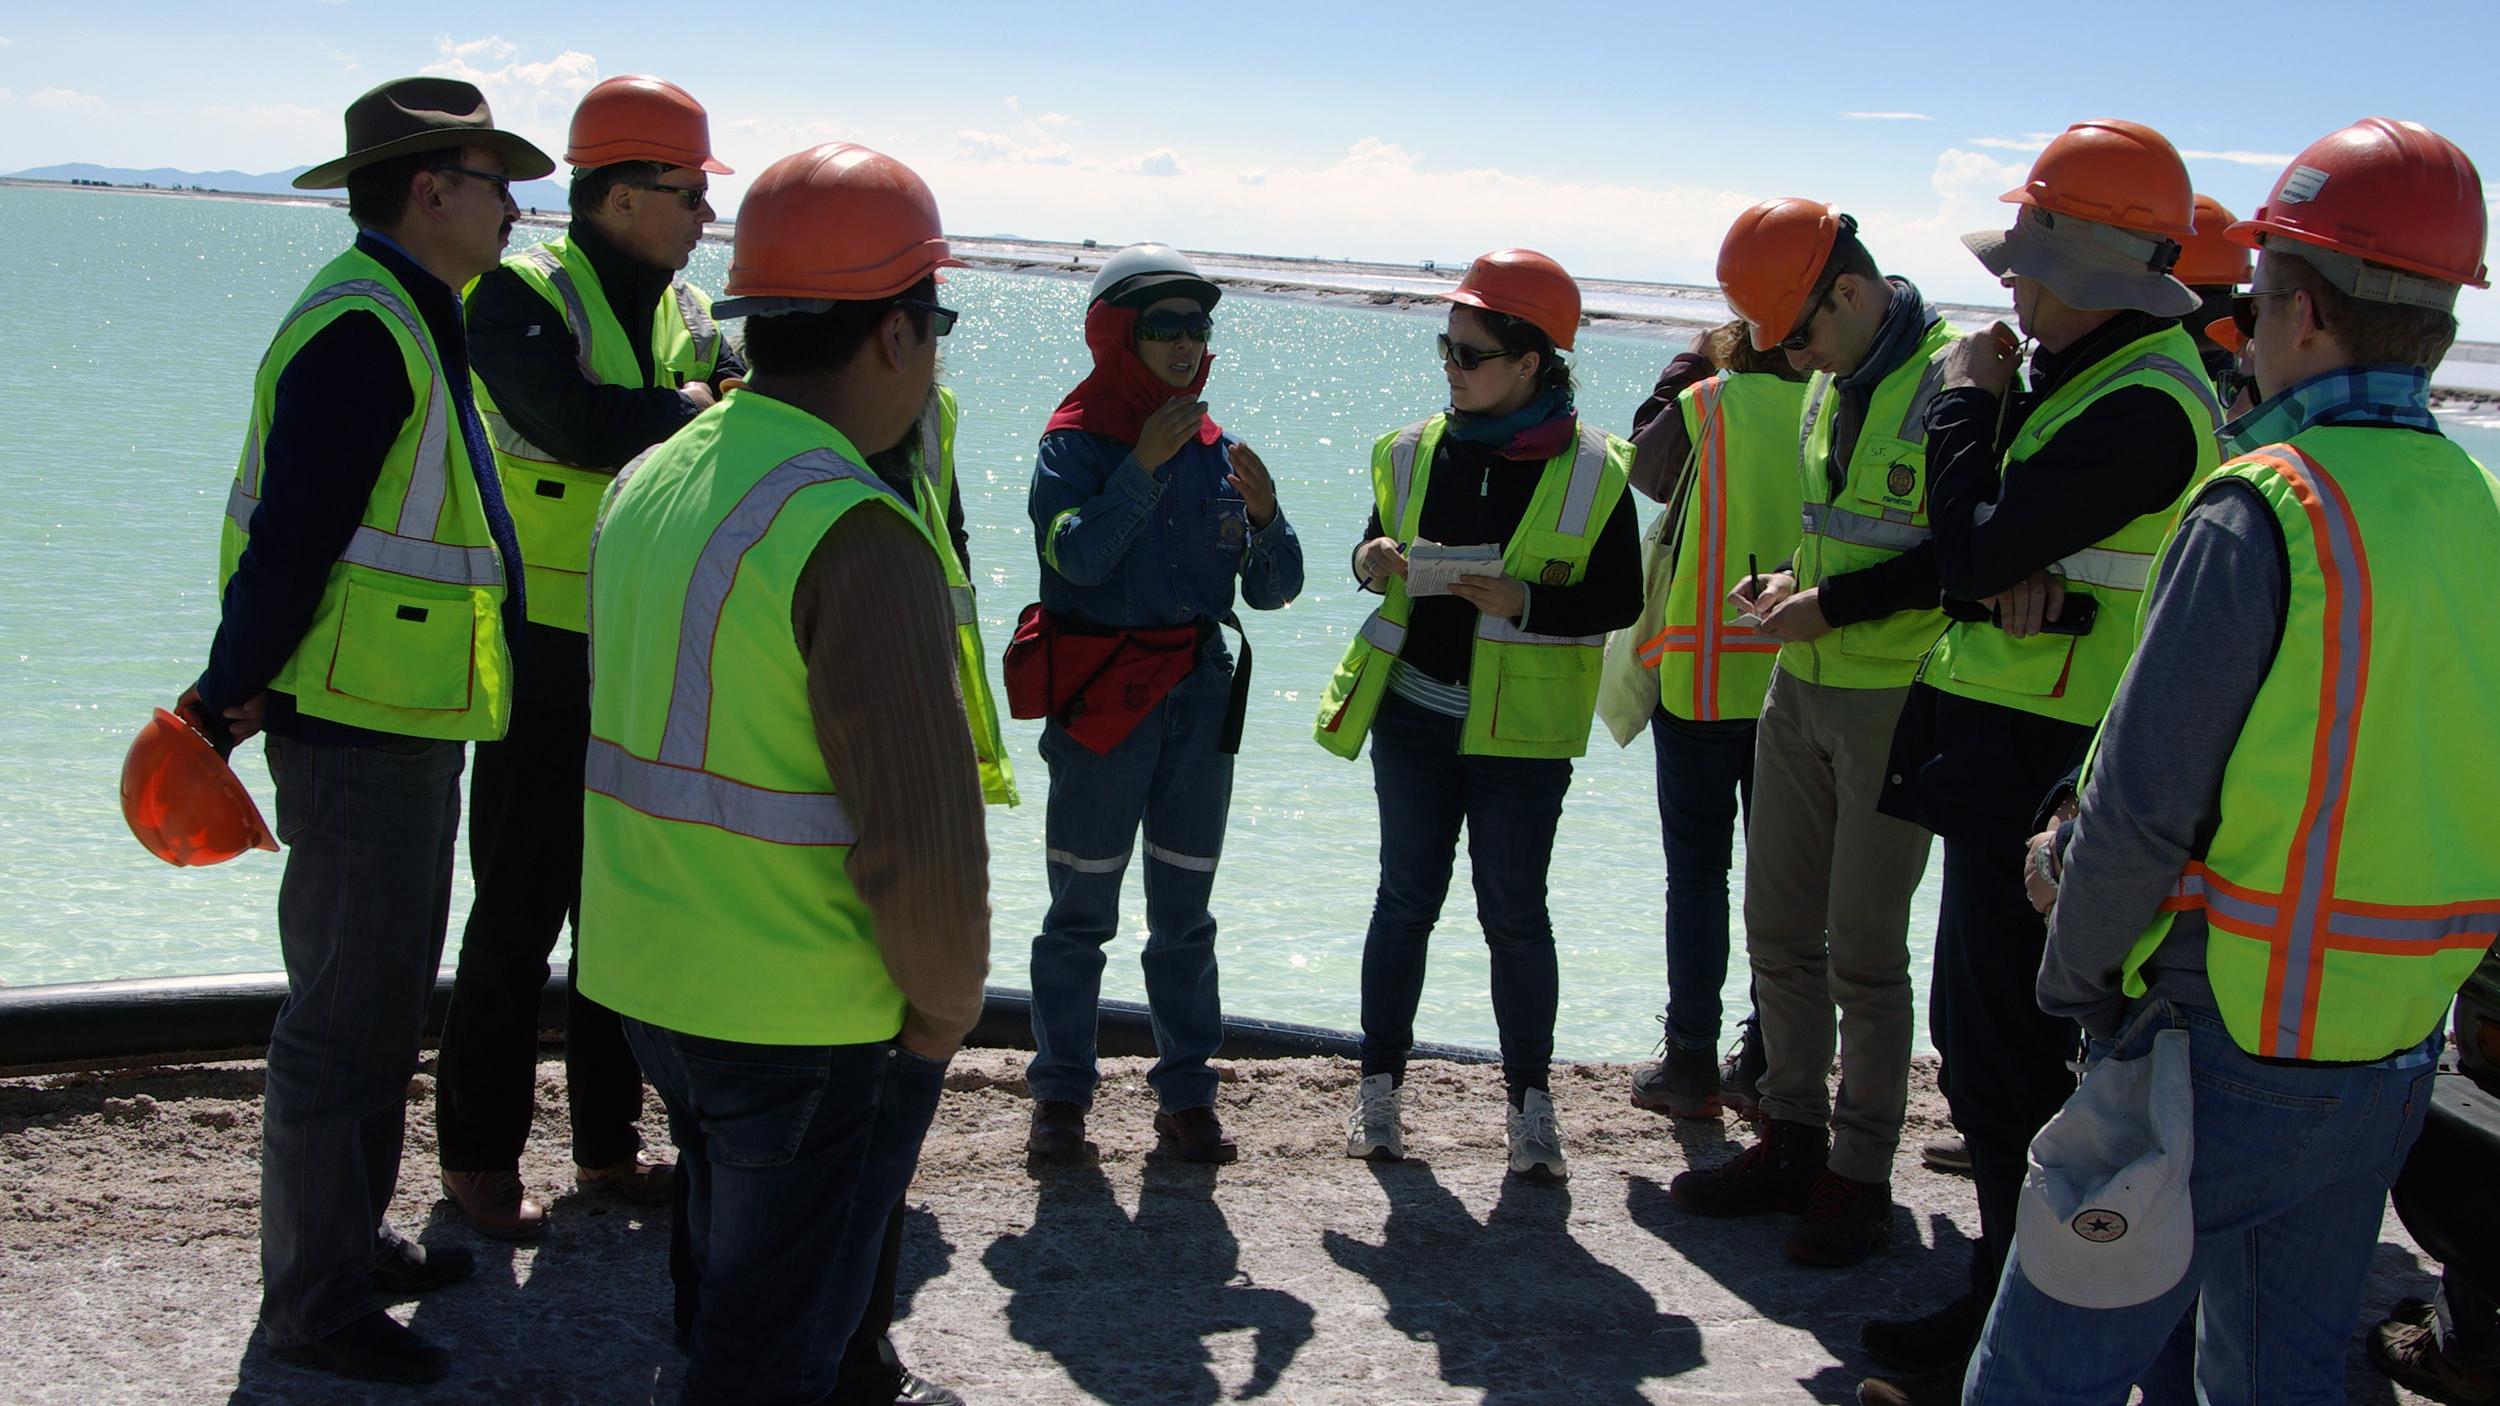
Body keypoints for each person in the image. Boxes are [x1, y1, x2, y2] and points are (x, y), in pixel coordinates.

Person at [1961, 117, 2500, 1406]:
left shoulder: (2264, 504)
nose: (2238, 327)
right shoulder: (2472, 506)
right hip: (2383, 1041)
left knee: (2041, 1372)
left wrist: (2079, 978)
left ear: (2302, 311)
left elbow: (2140, 805)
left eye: (2251, 299)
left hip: (2219, 1034)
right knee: (2277, 1373)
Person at [574, 142, 991, 1406]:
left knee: (729, 1293)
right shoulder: (853, 528)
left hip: (653, 976)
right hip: (801, 1008)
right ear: (892, 338)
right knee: (775, 1349)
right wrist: (943, 1006)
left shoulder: (656, 477)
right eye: (937, 322)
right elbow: (921, 837)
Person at [183, 76, 549, 1383]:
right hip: (352, 723)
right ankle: (317, 1298)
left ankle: (350, 1241)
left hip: (392, 714)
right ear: (429, 189)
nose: (517, 204)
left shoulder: (409, 309)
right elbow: (290, 540)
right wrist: (225, 692)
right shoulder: (365, 325)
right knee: (345, 1018)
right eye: (496, 180)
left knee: (381, 1003)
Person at [1854, 119, 2223, 1406]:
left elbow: (1965, 556)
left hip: (2057, 769)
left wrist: (1962, 399)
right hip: (2009, 748)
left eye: (2025, 261)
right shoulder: (2085, 379)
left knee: (2015, 1052)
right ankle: (1999, 1301)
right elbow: (1988, 557)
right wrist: (2005, 550)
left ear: (2095, 267)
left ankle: (2017, 1333)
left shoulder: (2142, 403)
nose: (2006, 287)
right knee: (1986, 1043)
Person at [436, 71, 735, 1243]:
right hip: (538, 647)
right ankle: (476, 1156)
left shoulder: (689, 312)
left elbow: (719, 411)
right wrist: (694, 407)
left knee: (623, 909)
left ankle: (609, 1146)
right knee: (516, 911)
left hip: (642, 646)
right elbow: (572, 423)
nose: (704, 214)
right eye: (688, 191)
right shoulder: (517, 292)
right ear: (617, 197)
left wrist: (696, 398)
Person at [1667, 201, 1956, 1267]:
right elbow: (1840, 533)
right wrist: (1796, 586)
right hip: (1800, 680)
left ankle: (1859, 1173)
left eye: (1798, 334)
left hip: (1894, 694)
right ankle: (1791, 1136)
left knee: (1867, 952)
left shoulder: (1954, 380)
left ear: (1848, 288)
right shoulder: (1832, 381)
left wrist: (1826, 607)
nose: (1790, 357)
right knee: (1777, 926)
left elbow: (1951, 558)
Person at [1315, 249, 1643, 1181]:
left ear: (1530, 361)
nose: (1451, 367)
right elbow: (1368, 549)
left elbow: (1620, 599)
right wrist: (1370, 559)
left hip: (1524, 739)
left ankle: (1531, 1108)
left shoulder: (1595, 469)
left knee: (1514, 915)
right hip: (1413, 717)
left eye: (1470, 352)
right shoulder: (1411, 448)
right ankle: (1378, 1094)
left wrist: (1526, 604)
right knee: (1404, 902)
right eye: (1445, 349)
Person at [1018, 243, 1303, 1165]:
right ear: (1116, 337)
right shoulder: (1073, 442)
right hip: (1105, 702)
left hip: (1198, 700)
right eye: (1165, 328)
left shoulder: (1214, 447)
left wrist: (1267, 520)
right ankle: (1060, 1099)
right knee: (1080, 914)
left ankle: (1186, 1094)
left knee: (1185, 915)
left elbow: (1275, 591)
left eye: (1199, 327)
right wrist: (1140, 466)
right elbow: (1077, 561)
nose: (1188, 343)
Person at [1606, 319, 1808, 1118]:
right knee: (1784, 886)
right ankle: (1765, 1057)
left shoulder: (1708, 401)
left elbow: (1639, 461)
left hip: (1700, 676)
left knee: (1697, 875)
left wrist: (1693, 358)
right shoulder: (1833, 409)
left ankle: (1690, 1057)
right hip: (1798, 678)